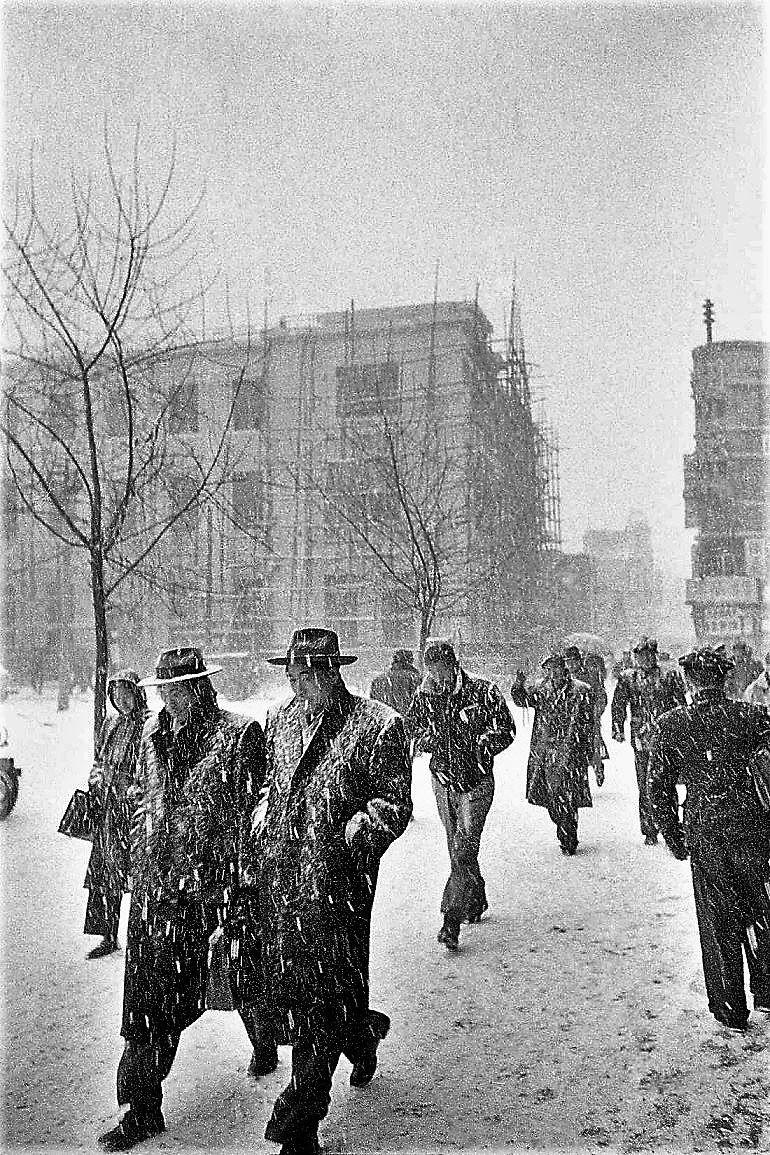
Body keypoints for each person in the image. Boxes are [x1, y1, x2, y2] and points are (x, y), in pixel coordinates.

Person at [98, 647, 267, 1152]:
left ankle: (264, 1042)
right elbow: (146, 796)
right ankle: (142, 1106)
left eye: (175, 690)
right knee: (148, 1002)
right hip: (157, 889)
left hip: (213, 886)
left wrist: (232, 876)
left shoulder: (239, 736)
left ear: (198, 688)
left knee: (235, 977)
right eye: (162, 691)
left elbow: (257, 812)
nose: (166, 699)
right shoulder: (151, 734)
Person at [251, 627, 413, 1155]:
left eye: (302, 675)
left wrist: (361, 831)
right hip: (285, 884)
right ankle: (361, 1037)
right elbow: (270, 790)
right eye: (291, 676)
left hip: (340, 887)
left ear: (328, 673)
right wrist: (261, 825)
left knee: (319, 1002)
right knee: (319, 997)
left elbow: (394, 803)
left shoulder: (378, 725)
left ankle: (298, 1126)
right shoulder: (281, 720)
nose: (295, 685)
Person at [648, 645, 770, 1032]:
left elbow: (658, 787)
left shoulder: (671, 725)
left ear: (689, 681)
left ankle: (730, 1005)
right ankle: (767, 988)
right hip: (751, 827)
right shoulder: (753, 718)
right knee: (762, 909)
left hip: (705, 831)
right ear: (727, 678)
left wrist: (673, 833)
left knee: (718, 919)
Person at [408, 638, 514, 951]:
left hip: (477, 782)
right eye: (432, 671)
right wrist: (432, 741)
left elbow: (507, 730)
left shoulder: (483, 691)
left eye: (443, 670)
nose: (439, 678)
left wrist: (482, 746)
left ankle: (450, 920)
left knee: (465, 847)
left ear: (454, 665)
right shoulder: (424, 695)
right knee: (457, 846)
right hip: (442, 782)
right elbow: (411, 729)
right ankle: (475, 897)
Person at [84, 670, 149, 960]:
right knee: (104, 875)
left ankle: (142, 936)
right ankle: (107, 934)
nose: (122, 699)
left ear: (138, 694)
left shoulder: (149, 725)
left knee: (138, 876)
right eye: (117, 694)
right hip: (108, 811)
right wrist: (98, 780)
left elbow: (149, 772)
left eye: (127, 693)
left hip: (134, 813)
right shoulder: (110, 723)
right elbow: (99, 760)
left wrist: (123, 782)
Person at [511, 652, 593, 857]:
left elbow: (588, 723)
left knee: (567, 794)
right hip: (545, 751)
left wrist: (586, 749)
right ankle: (562, 824)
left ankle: (568, 836)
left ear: (564, 669)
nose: (553, 673)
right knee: (550, 795)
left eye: (557, 668)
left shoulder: (581, 690)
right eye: (549, 669)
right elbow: (523, 701)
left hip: (570, 751)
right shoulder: (541, 689)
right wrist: (518, 686)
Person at [610, 636, 686, 845]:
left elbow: (681, 706)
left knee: (667, 781)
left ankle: (670, 824)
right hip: (642, 738)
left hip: (666, 737)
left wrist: (681, 731)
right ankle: (650, 828)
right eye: (641, 656)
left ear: (654, 655)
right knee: (645, 784)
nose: (645, 659)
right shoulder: (628, 678)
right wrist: (618, 728)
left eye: (648, 655)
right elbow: (618, 705)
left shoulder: (669, 676)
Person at [564, 646, 607, 787]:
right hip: (570, 720)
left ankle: (598, 768)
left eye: (573, 661)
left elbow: (601, 696)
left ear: (579, 661)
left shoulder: (590, 676)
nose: (571, 665)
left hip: (589, 718)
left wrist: (596, 711)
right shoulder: (563, 678)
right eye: (568, 662)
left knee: (593, 745)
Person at [369, 648, 421, 715]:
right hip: (409, 720)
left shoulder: (378, 680)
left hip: (386, 719)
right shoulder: (415, 678)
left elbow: (373, 704)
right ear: (410, 660)